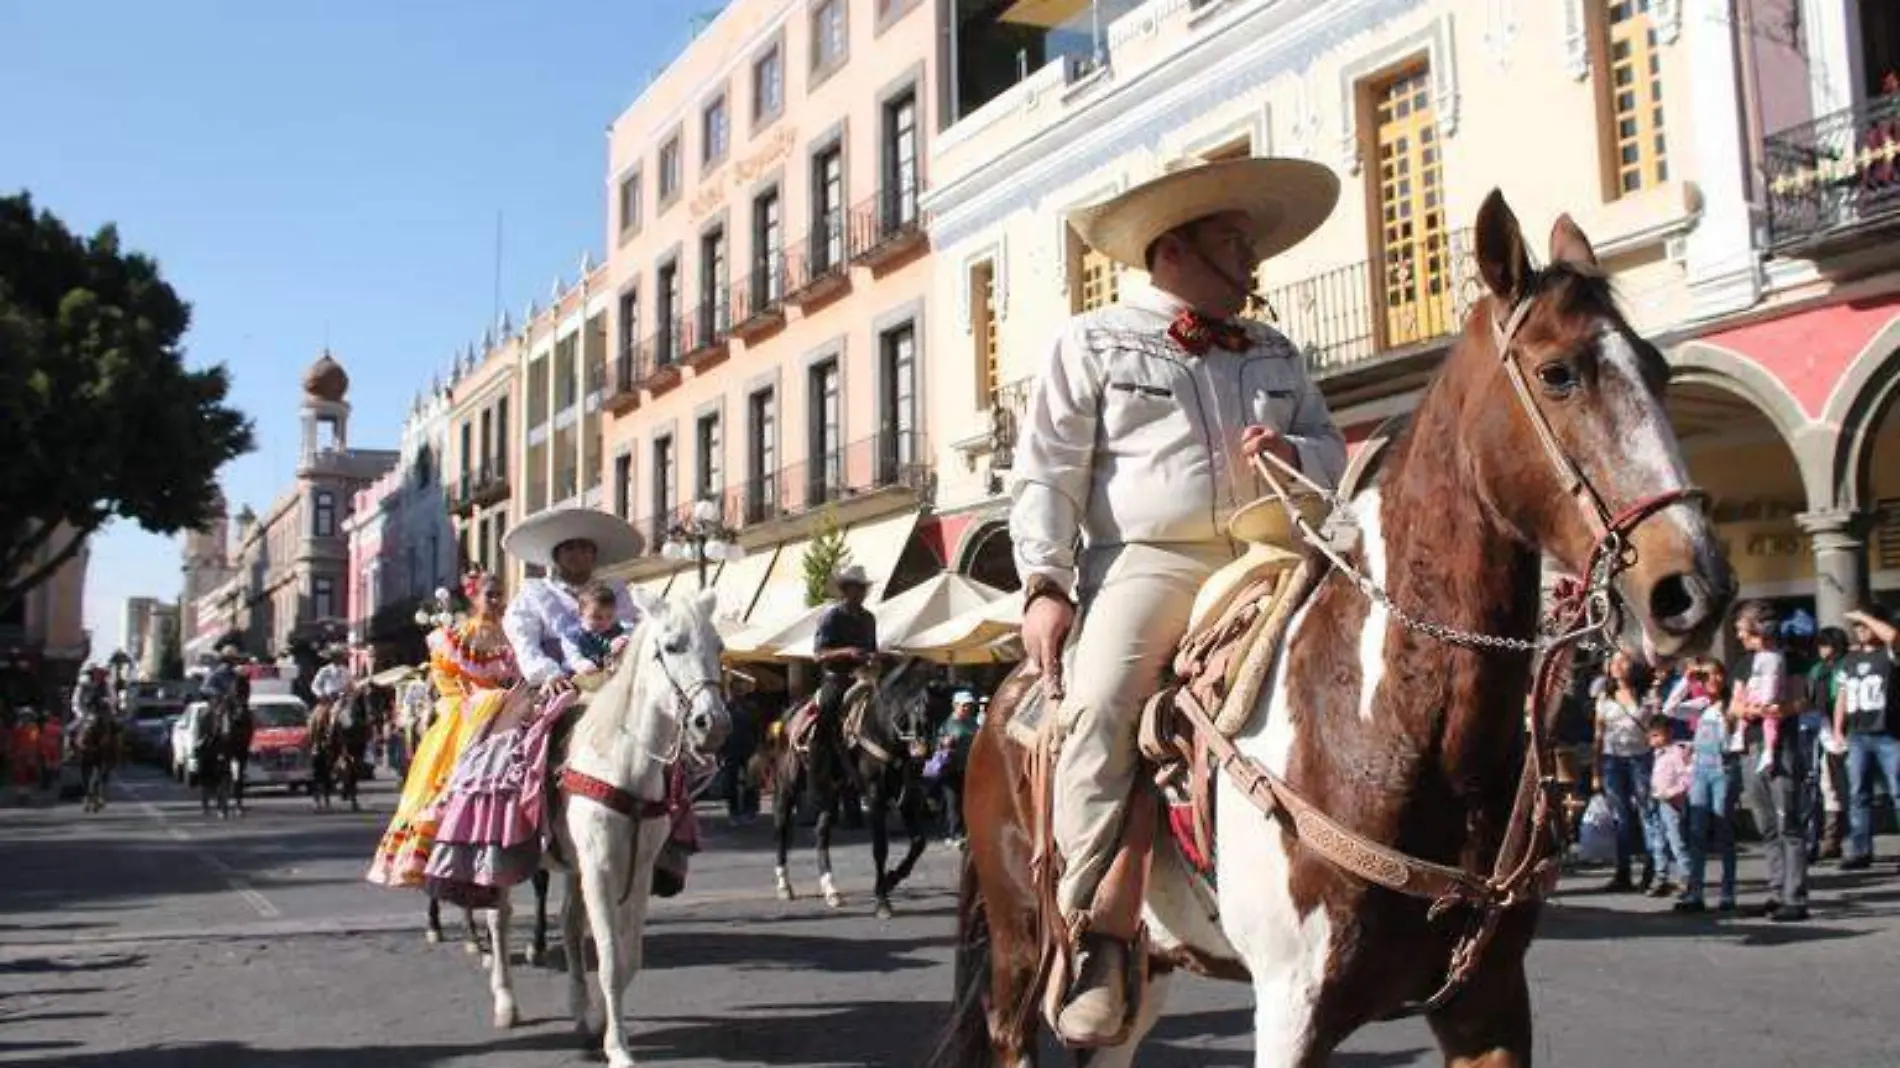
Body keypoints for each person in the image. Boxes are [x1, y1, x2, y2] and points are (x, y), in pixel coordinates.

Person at [1012, 156, 1346, 1041]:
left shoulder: (1278, 351)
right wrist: (1045, 583)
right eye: (1233, 242)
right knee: (1098, 707)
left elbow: (1331, 449)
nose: (1251, 259)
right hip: (1148, 561)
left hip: (1274, 547)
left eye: (1246, 242)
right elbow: (1046, 469)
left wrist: (1294, 454)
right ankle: (1094, 937)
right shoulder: (1094, 341)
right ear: (1172, 249)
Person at [498, 506, 699, 897]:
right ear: (557, 556)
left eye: (585, 548)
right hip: (554, 683)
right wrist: (548, 673)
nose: (578, 556)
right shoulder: (535, 594)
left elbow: (639, 636)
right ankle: (528, 825)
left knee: (664, 745)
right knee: (524, 745)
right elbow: (523, 640)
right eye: (569, 549)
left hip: (612, 683)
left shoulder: (619, 593)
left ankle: (667, 837)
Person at [367, 570, 518, 887]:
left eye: (500, 594)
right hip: (468, 715)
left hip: (509, 709)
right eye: (489, 595)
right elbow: (446, 681)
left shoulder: (511, 635)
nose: (496, 601)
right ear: (474, 598)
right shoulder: (458, 636)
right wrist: (482, 698)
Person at [1731, 600, 1810, 921]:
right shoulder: (1743, 663)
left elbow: (1803, 700)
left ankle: (1795, 897)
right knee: (1766, 826)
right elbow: (1733, 706)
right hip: (1751, 746)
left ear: (1757, 628)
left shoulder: (1792, 660)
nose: (1738, 634)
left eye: (1741, 628)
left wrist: (1782, 710)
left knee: (1789, 823)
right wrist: (1746, 710)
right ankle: (1777, 892)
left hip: (1783, 748)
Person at [810, 564, 878, 834]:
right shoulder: (831, 617)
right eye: (855, 588)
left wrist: (874, 657)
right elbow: (818, 654)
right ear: (845, 590)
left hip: (864, 676)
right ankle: (816, 761)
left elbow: (871, 648)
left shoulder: (869, 618)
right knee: (826, 713)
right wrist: (847, 652)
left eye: (863, 589)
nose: (860, 593)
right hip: (836, 679)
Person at [1834, 606, 1897, 871]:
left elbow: (1893, 636)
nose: (1861, 631)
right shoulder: (1849, 660)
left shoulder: (1889, 654)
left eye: (1866, 626)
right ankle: (1860, 850)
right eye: (1857, 628)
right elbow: (1842, 695)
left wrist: (1865, 616)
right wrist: (1838, 729)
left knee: (1897, 792)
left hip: (1890, 733)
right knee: (1858, 793)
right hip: (1858, 734)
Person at [1676, 658, 1739, 912]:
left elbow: (1735, 737)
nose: (1711, 680)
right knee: (1696, 831)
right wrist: (1686, 680)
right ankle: (1695, 891)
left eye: (1716, 675)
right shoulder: (1701, 705)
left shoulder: (1731, 703)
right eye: (1706, 676)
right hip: (1700, 770)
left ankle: (1728, 891)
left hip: (1722, 769)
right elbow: (1671, 709)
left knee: (1724, 829)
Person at [1594, 650, 1657, 893]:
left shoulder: (1647, 696)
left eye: (1624, 661)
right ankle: (1623, 871)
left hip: (1640, 758)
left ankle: (1653, 869)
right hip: (1613, 761)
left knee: (1646, 813)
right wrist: (1596, 771)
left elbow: (1656, 728)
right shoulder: (1605, 697)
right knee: (1621, 817)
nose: (1617, 665)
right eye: (1614, 661)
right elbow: (1598, 735)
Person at [1646, 714, 1692, 899]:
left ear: (1669, 733)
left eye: (1658, 735)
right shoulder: (1657, 754)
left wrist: (1674, 793)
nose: (1654, 740)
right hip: (1657, 800)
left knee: (1676, 841)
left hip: (1671, 803)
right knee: (1658, 841)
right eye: (1651, 736)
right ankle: (1661, 876)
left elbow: (1686, 778)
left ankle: (1686, 877)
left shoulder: (1677, 753)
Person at [566, 580, 633, 676]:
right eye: (596, 617)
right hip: (592, 675)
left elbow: (632, 629)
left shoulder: (617, 627)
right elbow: (571, 655)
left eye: (609, 616)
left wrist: (624, 638)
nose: (604, 622)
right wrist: (581, 663)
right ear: (581, 614)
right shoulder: (576, 635)